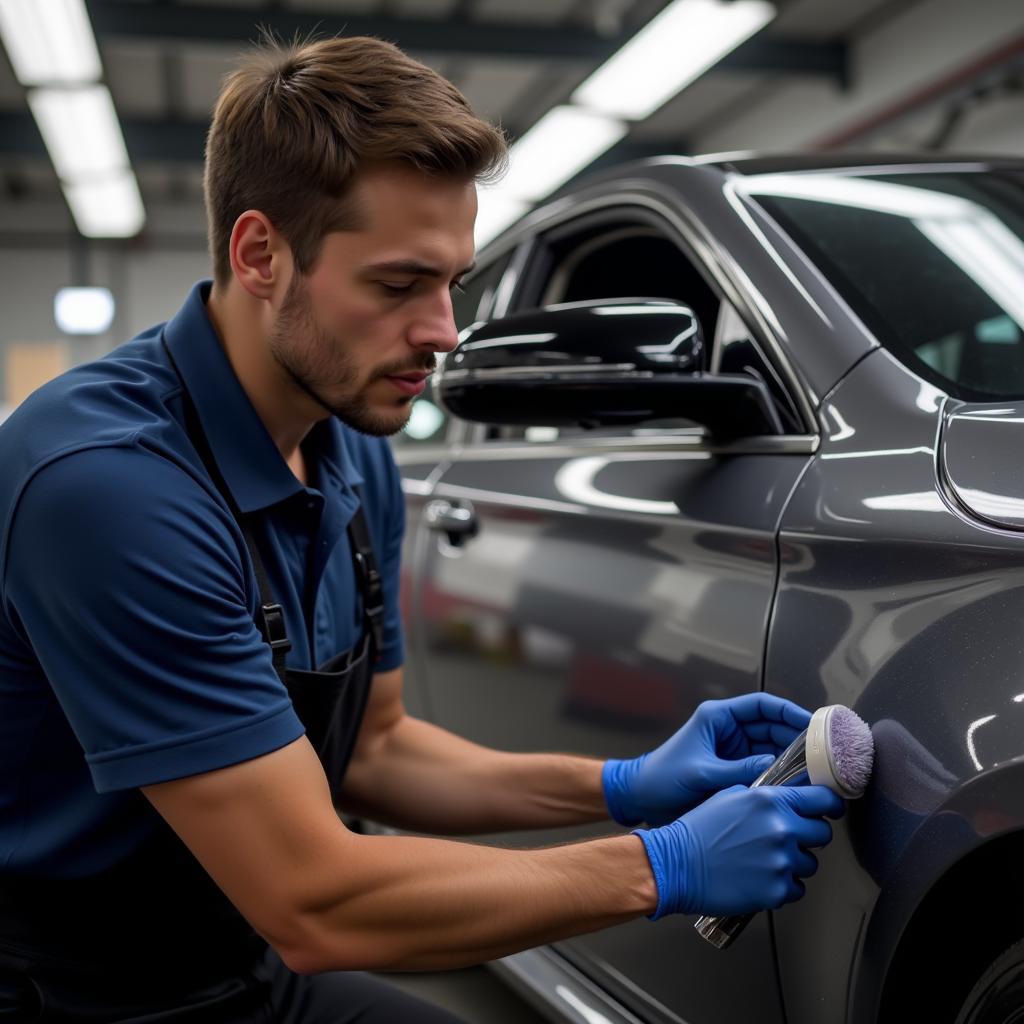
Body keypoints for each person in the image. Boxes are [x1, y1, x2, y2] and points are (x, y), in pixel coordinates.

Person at [0, 35, 844, 1023]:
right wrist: (658, 866)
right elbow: (314, 899)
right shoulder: (109, 488)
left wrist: (626, 784)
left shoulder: (346, 441)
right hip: (70, 997)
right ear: (261, 255)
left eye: (451, 281)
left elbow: (376, 752)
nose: (445, 330)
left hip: (241, 971)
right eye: (398, 285)